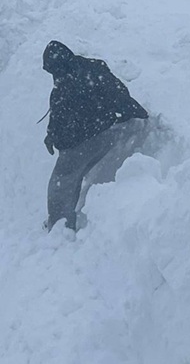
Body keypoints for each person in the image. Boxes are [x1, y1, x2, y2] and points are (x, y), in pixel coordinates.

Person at [42, 40, 149, 231]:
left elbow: (117, 95)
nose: (52, 75)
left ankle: (59, 227)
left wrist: (138, 113)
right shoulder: (89, 70)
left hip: (82, 141)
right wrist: (51, 135)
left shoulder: (73, 81)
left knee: (61, 185)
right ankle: (64, 221)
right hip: (95, 133)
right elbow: (117, 92)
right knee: (69, 180)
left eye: (52, 69)